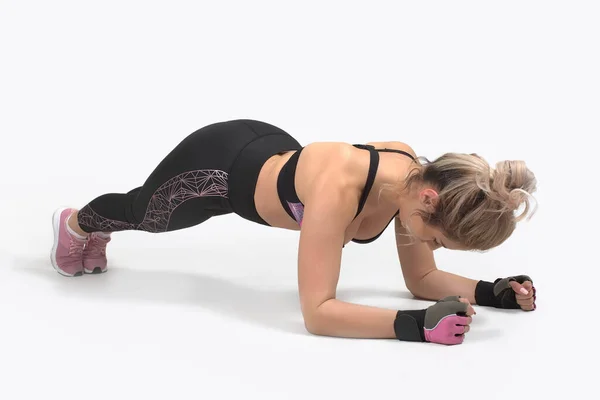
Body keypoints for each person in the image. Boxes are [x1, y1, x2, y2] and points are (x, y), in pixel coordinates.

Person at [50, 119, 538, 345]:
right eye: (436, 240)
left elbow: (421, 282)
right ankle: (75, 223)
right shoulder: (338, 191)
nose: (426, 247)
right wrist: (415, 327)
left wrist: (491, 292)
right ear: (430, 202)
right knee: (147, 213)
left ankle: (87, 231)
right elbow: (318, 313)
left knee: (149, 214)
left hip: (272, 152)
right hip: (219, 169)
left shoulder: (413, 182)